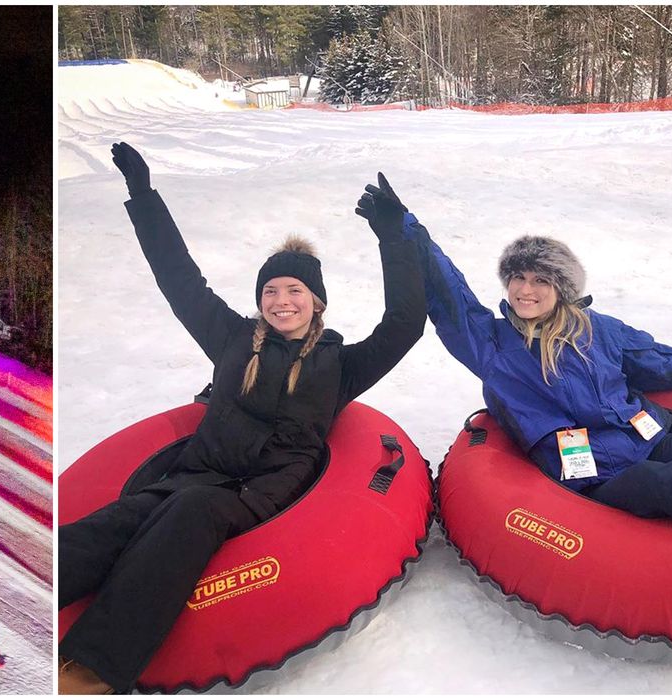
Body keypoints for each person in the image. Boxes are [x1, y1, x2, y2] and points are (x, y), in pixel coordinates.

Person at [57, 143, 425, 694]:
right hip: (194, 476)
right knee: (119, 521)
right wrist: (144, 195)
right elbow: (179, 279)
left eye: (294, 290)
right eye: (270, 291)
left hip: (262, 494)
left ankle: (91, 671)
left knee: (192, 510)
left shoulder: (340, 366)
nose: (281, 301)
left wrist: (393, 237)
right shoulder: (232, 339)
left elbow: (404, 323)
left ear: (317, 302)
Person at [390, 189, 672, 521]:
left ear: (562, 289)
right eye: (518, 277)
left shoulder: (598, 328)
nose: (526, 290)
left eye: (540, 280)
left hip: (646, 437)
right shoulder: (494, 345)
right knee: (664, 483)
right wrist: (406, 229)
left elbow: (656, 360)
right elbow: (448, 297)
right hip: (598, 473)